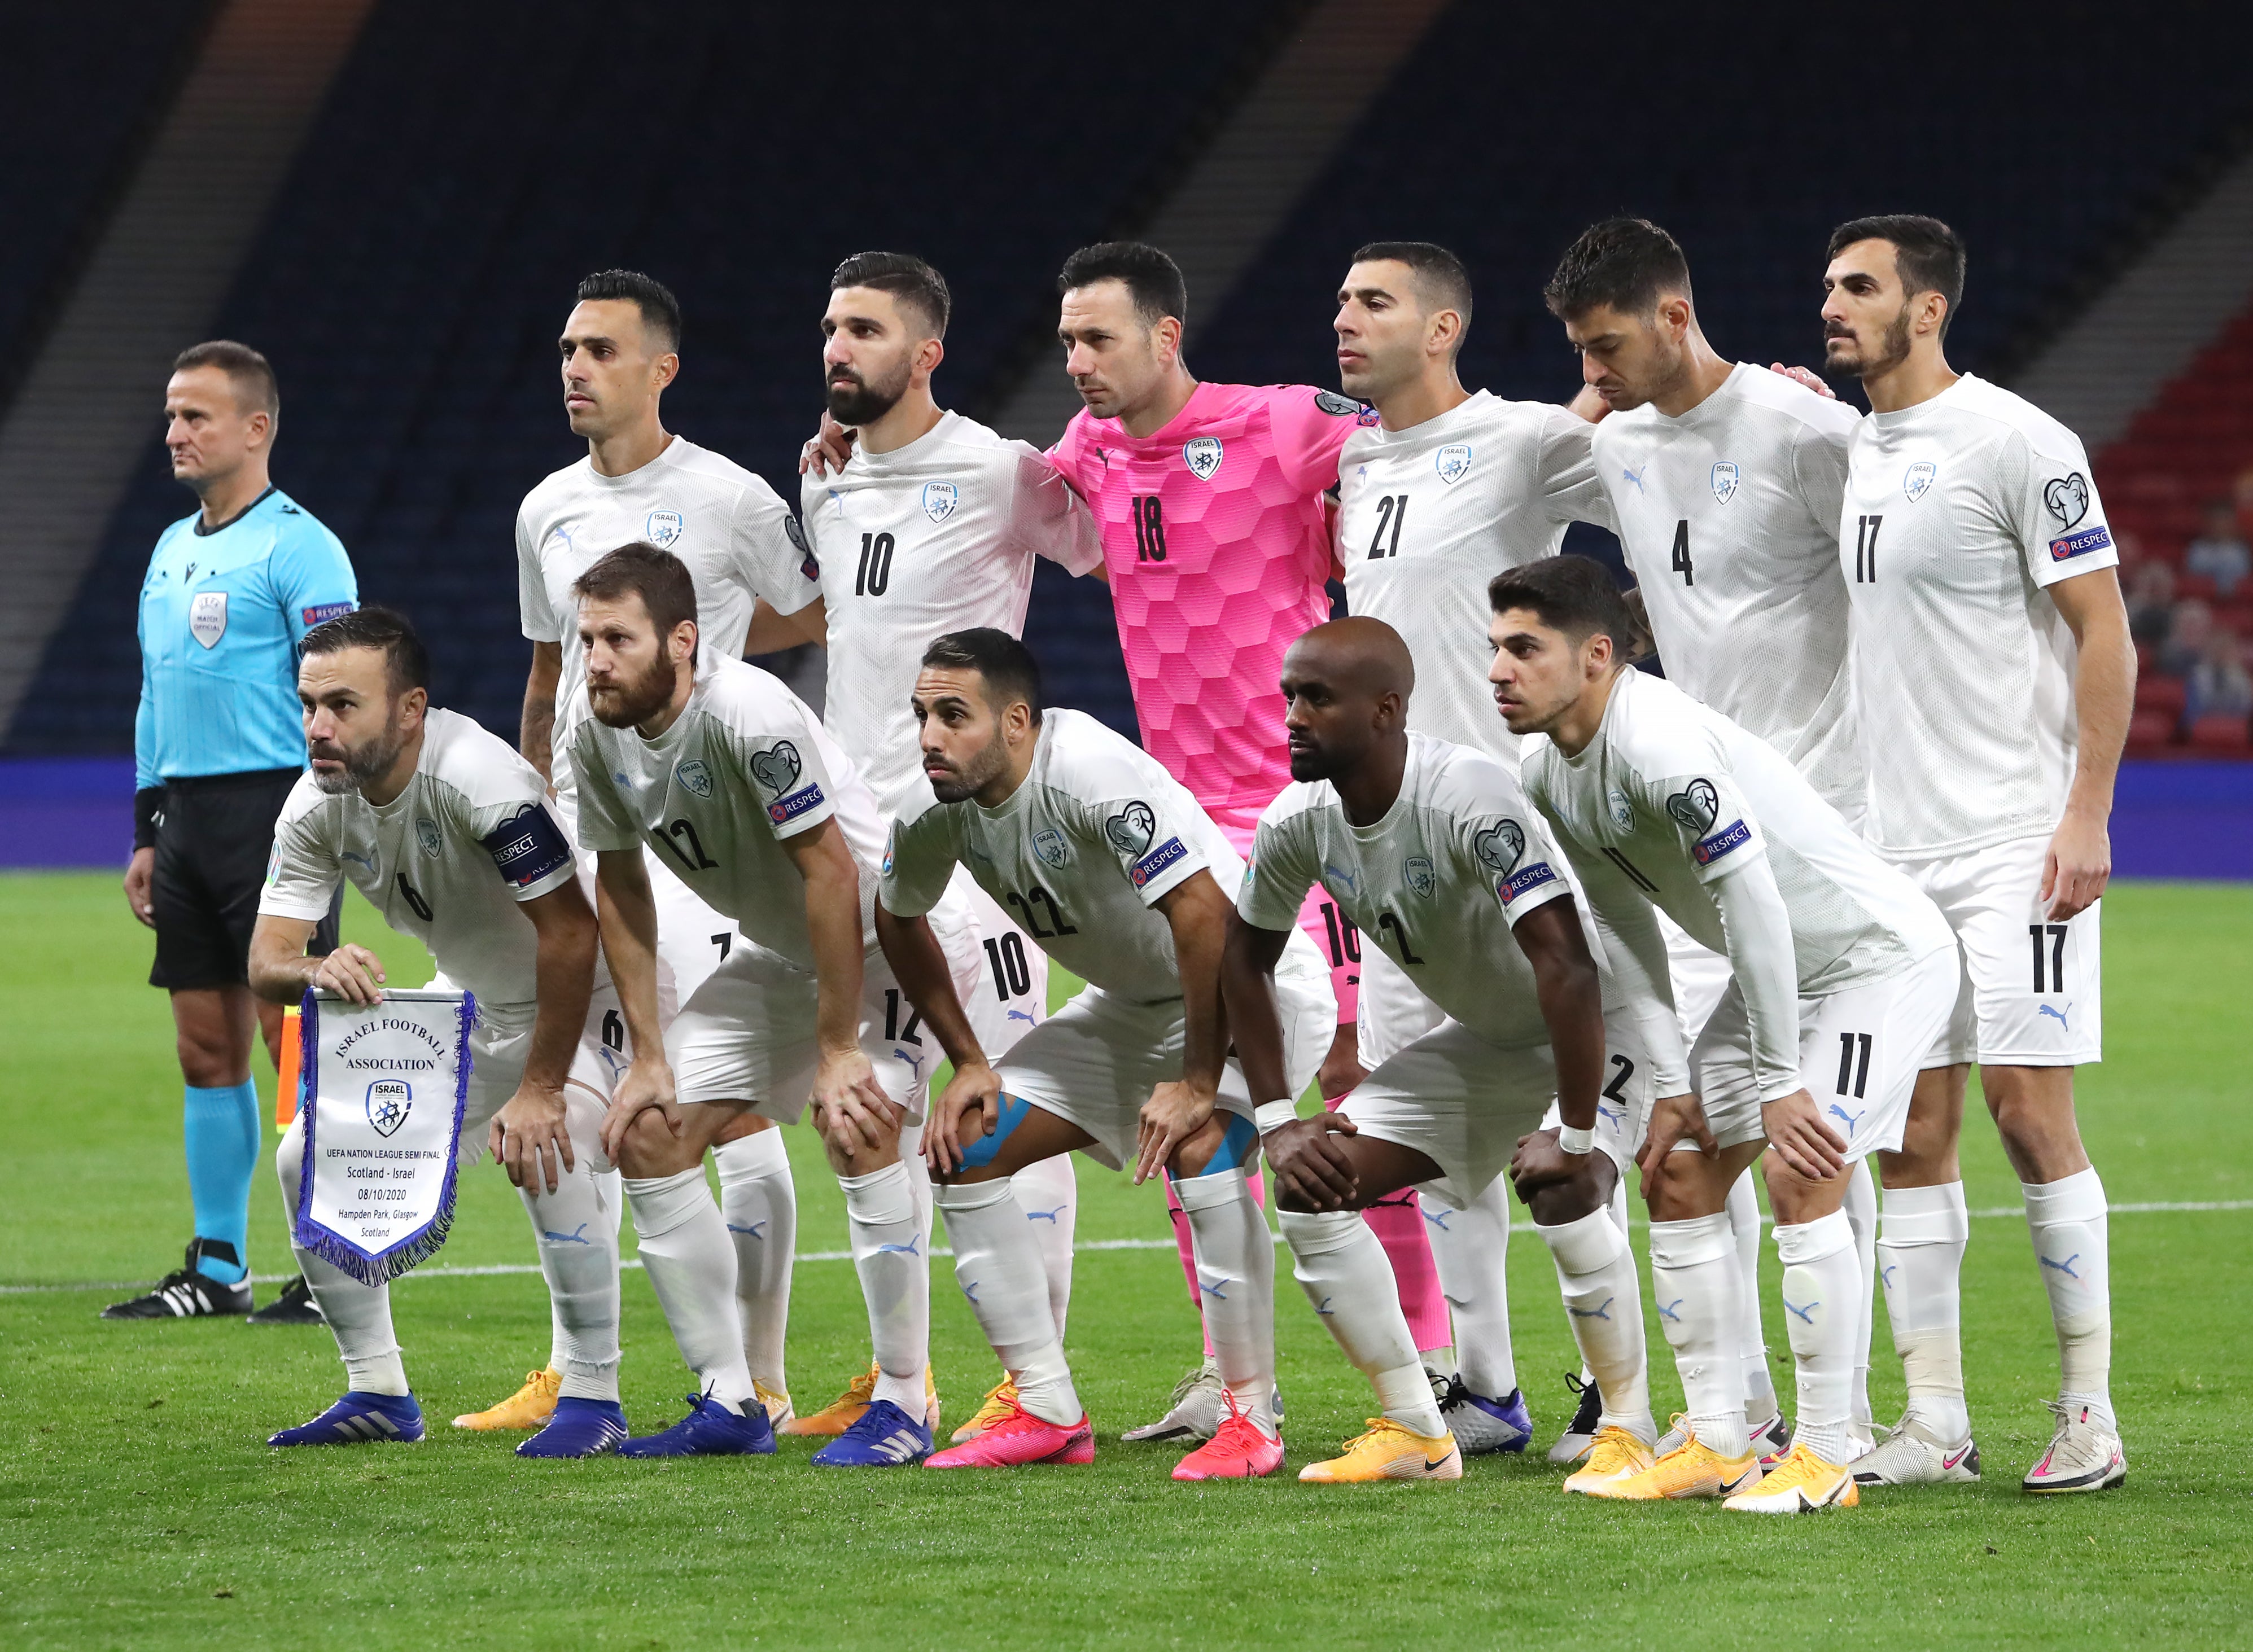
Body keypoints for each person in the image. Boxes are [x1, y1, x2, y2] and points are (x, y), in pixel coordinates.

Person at [804, 240, 1449, 1440]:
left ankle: (1438, 1360)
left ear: (1166, 335)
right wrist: (848, 446)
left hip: (1308, 804)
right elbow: (978, 478)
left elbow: (1434, 437)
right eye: (1065, 343)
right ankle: (1222, 1366)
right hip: (1190, 813)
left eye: (1099, 340)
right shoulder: (1085, 455)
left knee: (1356, 1080)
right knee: (1181, 1105)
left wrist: (1598, 414)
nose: (1077, 364)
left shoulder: (1277, 423)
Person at [1493, 557, 1958, 1513]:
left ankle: (1828, 1452)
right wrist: (1669, 1079)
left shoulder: (1657, 740)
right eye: (1494, 648)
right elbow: (1625, 927)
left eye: (1523, 648)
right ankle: (1715, 1439)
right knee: (1679, 1164)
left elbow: (1751, 901)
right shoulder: (1546, 774)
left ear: (1593, 657)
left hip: (1875, 959)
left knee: (1803, 1164)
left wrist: (1783, 1078)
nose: (1499, 670)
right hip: (1779, 972)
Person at [1544, 216, 1878, 1463]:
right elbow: (1544, 456)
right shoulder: (1618, 440)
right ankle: (1727, 1410)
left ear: (1676, 316)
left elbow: (1894, 578)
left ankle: (1859, 1410)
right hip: (1687, 836)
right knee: (1683, 1131)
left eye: (1609, 342)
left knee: (1813, 1129)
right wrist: (1595, 394)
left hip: (1822, 825)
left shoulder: (1806, 432)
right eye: (1581, 349)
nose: (1596, 367)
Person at [1822, 215, 2135, 1493]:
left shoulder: (2020, 442)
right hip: (1894, 851)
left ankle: (2088, 1414)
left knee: (2026, 1111)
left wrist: (2086, 810)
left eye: (1859, 288)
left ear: (1929, 307)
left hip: (2015, 834)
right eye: (1829, 287)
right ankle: (1935, 1421)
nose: (1833, 306)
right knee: (1912, 1131)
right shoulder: (1855, 448)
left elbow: (2103, 631)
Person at [474, 269, 809, 1436]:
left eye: (600, 349)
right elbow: (545, 671)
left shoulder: (728, 496)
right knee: (582, 1086)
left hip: (699, 840)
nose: (574, 367)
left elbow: (811, 612)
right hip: (589, 831)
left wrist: (706, 653)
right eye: (567, 347)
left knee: (727, 1100)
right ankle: (580, 1363)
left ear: (661, 366)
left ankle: (757, 1375)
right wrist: (530, 812)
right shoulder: (543, 507)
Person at [876, 629, 1335, 1476]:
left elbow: (1206, 918)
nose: (930, 736)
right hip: (1126, 1007)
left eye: (953, 715)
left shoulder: (1085, 767)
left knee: (1201, 1151)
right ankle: (1045, 1404)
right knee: (965, 1145)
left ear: (1017, 721)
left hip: (1254, 991)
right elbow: (896, 913)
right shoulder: (932, 806)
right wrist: (969, 1058)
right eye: (921, 716)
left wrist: (1199, 1079)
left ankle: (1249, 1413)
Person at [781, 251, 1101, 1444]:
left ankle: (1038, 1377)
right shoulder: (827, 477)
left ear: (926, 353)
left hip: (981, 842)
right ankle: (896, 1368)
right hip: (857, 841)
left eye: (862, 328)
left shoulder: (998, 471)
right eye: (828, 327)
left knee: (1016, 1097)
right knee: (872, 1096)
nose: (836, 347)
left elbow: (1108, 545)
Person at [1223, 619, 1659, 1486]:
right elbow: (1241, 959)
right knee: (1312, 1185)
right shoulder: (1297, 818)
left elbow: (1567, 967)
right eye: (1288, 698)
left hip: (1604, 1020)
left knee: (1564, 1184)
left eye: (1316, 698)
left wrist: (1572, 1132)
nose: (1293, 717)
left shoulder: (1464, 793)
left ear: (1385, 710)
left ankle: (1627, 1425)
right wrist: (1274, 1118)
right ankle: (1416, 1430)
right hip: (1493, 1039)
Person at [1326, 240, 1611, 1454]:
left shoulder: (1524, 437)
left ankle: (1622, 1387)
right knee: (1443, 1146)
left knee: (1581, 1121)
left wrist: (1764, 397)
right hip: (1393, 853)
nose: (1344, 317)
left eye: (1373, 301)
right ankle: (1485, 1385)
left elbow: (1654, 448)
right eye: (1342, 299)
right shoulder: (1351, 454)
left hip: (1510, 835)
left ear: (1444, 328)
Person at [569, 544, 935, 1467]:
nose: (596, 659)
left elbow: (831, 871)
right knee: (648, 1128)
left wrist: (835, 1047)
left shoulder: (751, 713)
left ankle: (904, 1398)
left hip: (896, 944)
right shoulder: (595, 727)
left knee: (859, 1121)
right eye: (586, 639)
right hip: (787, 956)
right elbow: (619, 886)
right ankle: (731, 1398)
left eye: (618, 637)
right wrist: (648, 1052)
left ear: (683, 640)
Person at [248, 609, 610, 1451]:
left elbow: (571, 932)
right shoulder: (316, 803)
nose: (318, 727)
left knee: (548, 1141)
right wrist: (314, 969)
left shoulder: (479, 778)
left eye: (343, 704)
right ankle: (376, 1389)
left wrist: (542, 1087)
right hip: (475, 995)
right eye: (308, 705)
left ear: (410, 708)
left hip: (592, 995)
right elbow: (267, 957)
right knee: (307, 1154)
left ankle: (594, 1395)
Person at [107, 340, 356, 1326]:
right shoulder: (171, 550)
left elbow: (344, 688)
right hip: (188, 820)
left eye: (196, 416)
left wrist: (333, 816)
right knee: (204, 1043)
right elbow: (152, 695)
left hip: (278, 810)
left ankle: (330, 1254)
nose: (175, 432)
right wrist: (146, 827)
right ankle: (219, 1265)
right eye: (172, 415)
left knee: (290, 1035)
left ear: (257, 427)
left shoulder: (302, 547)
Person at [2184, 499, 2250, 598]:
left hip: (2237, 603)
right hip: (2201, 601)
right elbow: (2191, 582)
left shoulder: (2241, 552)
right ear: (2208, 523)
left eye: (2224, 520)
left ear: (2232, 524)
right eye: (2216, 520)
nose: (2219, 526)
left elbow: (2245, 583)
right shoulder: (2196, 550)